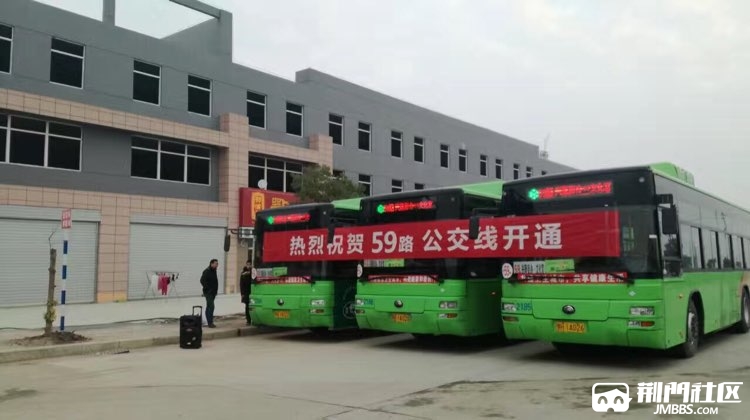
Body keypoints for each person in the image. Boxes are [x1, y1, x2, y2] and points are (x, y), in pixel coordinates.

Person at [200, 259, 219, 328]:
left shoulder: (214, 271)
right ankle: (210, 322)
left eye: (217, 264)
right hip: (208, 292)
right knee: (211, 306)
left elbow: (215, 281)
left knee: (209, 306)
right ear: (211, 264)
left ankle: (208, 321)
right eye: (216, 264)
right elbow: (202, 281)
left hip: (213, 292)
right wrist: (208, 289)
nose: (217, 265)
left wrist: (215, 291)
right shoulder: (206, 271)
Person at [239, 260, 253, 326]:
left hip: (253, 292)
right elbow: (241, 284)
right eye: (247, 264)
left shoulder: (253, 272)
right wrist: (242, 294)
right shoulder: (243, 273)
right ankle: (248, 320)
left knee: (253, 307)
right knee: (247, 307)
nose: (249, 266)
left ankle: (253, 319)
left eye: (250, 264)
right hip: (246, 292)